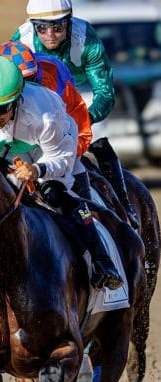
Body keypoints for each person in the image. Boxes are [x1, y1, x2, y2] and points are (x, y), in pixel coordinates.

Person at [0, 56, 122, 290]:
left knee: (55, 193)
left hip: (51, 151)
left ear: (16, 99)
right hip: (4, 153)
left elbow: (62, 160)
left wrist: (37, 170)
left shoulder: (45, 112)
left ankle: (102, 262)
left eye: (1, 109)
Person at [11, 0, 139, 228]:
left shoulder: (86, 39)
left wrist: (81, 122)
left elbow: (105, 94)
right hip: (41, 96)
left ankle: (124, 205)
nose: (50, 34)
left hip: (80, 95)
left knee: (95, 139)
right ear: (33, 25)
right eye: (42, 28)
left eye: (58, 28)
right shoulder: (22, 39)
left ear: (69, 23)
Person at [0, 40, 93, 197]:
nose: (24, 89)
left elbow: (77, 120)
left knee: (58, 189)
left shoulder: (52, 84)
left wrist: (72, 155)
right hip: (14, 144)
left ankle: (88, 215)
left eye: (29, 80)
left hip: (54, 140)